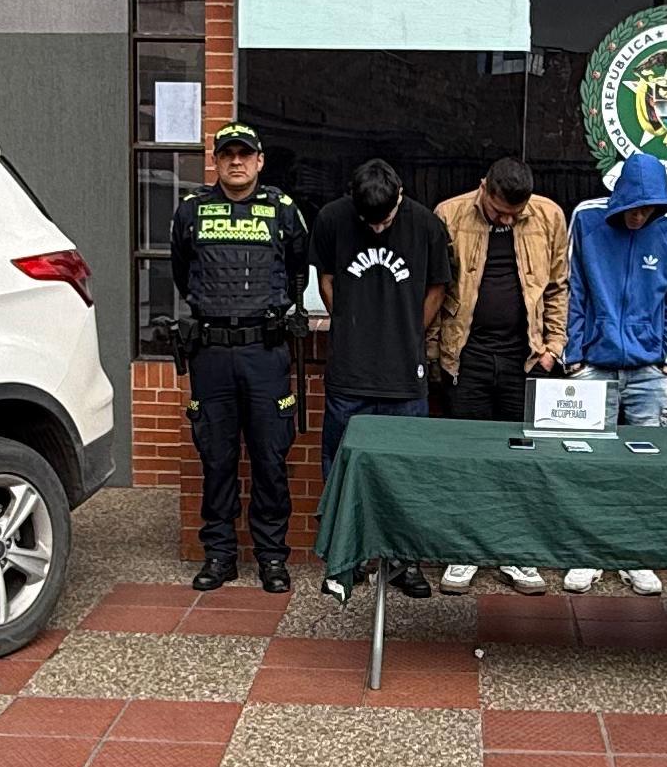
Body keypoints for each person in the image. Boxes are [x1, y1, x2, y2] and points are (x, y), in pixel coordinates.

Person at [171, 121, 309, 592]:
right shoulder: (192, 210)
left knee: (270, 459)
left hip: (264, 352)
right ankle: (220, 555)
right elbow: (181, 271)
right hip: (211, 353)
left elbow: (297, 270)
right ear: (215, 161)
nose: (236, 161)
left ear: (259, 161)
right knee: (216, 458)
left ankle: (272, 557)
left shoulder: (283, 210)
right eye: (227, 154)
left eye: (244, 154)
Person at [309, 158, 449, 599]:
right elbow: (326, 279)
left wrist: (409, 333)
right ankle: (344, 561)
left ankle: (405, 562)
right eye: (368, 221)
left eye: (384, 221)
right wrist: (350, 325)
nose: (375, 228)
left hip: (404, 377)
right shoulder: (332, 219)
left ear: (400, 197)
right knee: (341, 468)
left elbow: (437, 288)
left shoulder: (426, 225)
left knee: (407, 471)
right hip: (348, 374)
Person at [557, 148, 667, 595]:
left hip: (651, 369)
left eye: (648, 209)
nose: (639, 217)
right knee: (586, 464)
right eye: (633, 208)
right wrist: (573, 355)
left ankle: (637, 556)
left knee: (646, 468)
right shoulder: (587, 217)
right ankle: (586, 554)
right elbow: (572, 287)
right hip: (593, 364)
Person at [429, 154, 569, 595]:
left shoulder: (548, 215)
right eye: (499, 211)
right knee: (467, 458)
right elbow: (437, 288)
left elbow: (558, 286)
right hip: (466, 356)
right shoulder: (449, 214)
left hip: (523, 358)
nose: (507, 219)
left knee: (518, 459)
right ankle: (464, 551)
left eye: (515, 213)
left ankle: (514, 551)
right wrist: (434, 352)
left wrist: (553, 347)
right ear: (483, 187)